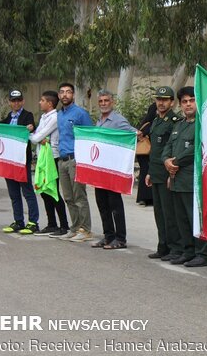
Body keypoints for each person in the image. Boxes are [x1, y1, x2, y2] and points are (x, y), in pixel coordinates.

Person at [164, 86, 207, 267]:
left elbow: (196, 149)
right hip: (177, 179)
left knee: (196, 218)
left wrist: (175, 161)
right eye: (184, 101)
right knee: (182, 219)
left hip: (193, 180)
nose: (188, 104)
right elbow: (167, 147)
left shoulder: (202, 125)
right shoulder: (179, 125)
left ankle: (203, 253)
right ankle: (188, 251)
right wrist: (166, 161)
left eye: (192, 100)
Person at [91, 90, 137, 250]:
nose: (103, 103)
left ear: (112, 102)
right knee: (102, 204)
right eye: (101, 101)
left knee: (114, 204)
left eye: (106, 101)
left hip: (113, 170)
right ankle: (108, 236)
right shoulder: (99, 120)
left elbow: (134, 133)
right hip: (100, 170)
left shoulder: (118, 120)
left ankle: (120, 238)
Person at [145, 86, 181, 260]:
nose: (161, 103)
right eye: (159, 99)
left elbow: (174, 149)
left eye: (165, 100)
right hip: (156, 173)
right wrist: (150, 172)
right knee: (159, 213)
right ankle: (163, 246)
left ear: (172, 102)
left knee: (169, 214)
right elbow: (155, 149)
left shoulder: (175, 121)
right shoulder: (156, 121)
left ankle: (174, 248)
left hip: (168, 173)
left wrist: (171, 174)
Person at [56, 82, 94, 242]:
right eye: (62, 92)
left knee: (79, 196)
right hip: (62, 160)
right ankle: (75, 227)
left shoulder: (80, 113)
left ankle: (85, 230)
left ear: (73, 95)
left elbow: (90, 136)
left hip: (76, 159)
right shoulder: (59, 114)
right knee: (68, 197)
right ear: (59, 95)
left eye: (68, 92)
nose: (65, 95)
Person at [29, 90, 70, 236]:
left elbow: (36, 137)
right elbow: (38, 136)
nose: (40, 102)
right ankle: (51, 223)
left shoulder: (54, 117)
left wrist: (34, 136)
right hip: (42, 157)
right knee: (44, 191)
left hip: (52, 158)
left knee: (53, 191)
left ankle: (64, 225)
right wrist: (36, 136)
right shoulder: (44, 117)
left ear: (50, 103)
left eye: (42, 100)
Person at [0, 90, 40, 234]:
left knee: (27, 191)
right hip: (8, 160)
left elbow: (31, 125)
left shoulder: (27, 115)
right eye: (13, 100)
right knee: (13, 193)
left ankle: (33, 222)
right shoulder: (8, 117)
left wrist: (30, 127)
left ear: (22, 101)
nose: (16, 103)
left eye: (18, 100)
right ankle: (18, 221)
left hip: (22, 160)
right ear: (9, 102)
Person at [136, 103, 156, 206]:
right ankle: (147, 197)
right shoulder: (152, 123)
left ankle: (142, 197)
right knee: (148, 174)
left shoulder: (144, 123)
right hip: (148, 153)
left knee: (144, 173)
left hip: (142, 153)